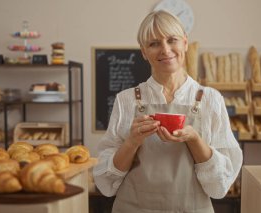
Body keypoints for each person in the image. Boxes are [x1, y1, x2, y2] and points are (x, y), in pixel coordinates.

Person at [93, 10, 243, 213]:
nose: (165, 49)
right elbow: (106, 184)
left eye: (172, 40)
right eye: (154, 43)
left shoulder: (210, 100)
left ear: (185, 43)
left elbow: (218, 187)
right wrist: (132, 142)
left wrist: (194, 139)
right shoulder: (126, 100)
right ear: (144, 52)